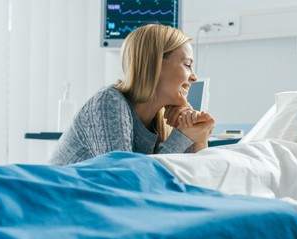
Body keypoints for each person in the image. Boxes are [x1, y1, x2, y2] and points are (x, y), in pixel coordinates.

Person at [49, 24, 215, 166]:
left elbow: (187, 181)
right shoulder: (108, 103)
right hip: (60, 201)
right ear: (154, 65)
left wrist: (199, 137)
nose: (194, 77)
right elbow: (124, 181)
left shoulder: (164, 118)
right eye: (187, 64)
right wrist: (182, 136)